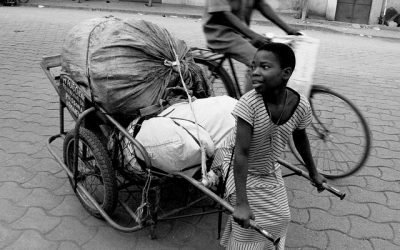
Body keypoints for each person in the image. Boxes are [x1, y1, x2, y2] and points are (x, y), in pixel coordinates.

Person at [208, 42, 326, 249]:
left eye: (264, 67)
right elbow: (241, 154)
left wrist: (314, 172)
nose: (255, 72)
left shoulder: (301, 104)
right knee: (248, 223)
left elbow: (301, 139)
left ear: (286, 73)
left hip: (268, 166)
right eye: (253, 67)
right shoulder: (249, 103)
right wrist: (242, 204)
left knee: (282, 217)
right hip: (234, 163)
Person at [203, 0, 301, 93]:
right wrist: (253, 35)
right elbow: (224, 13)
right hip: (221, 34)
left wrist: (289, 29)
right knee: (258, 62)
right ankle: (248, 106)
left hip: (241, 32)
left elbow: (262, 5)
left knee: (271, 55)